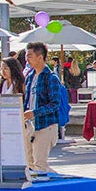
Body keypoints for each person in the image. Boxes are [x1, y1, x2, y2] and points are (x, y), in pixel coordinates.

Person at [21, 43, 64, 173]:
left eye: (30, 56)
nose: (27, 59)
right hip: (29, 126)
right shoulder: (29, 77)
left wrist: (34, 113)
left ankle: (57, 184)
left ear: (40, 57)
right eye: (26, 56)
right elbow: (26, 100)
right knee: (30, 163)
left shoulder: (51, 78)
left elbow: (55, 103)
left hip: (46, 125)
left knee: (40, 164)